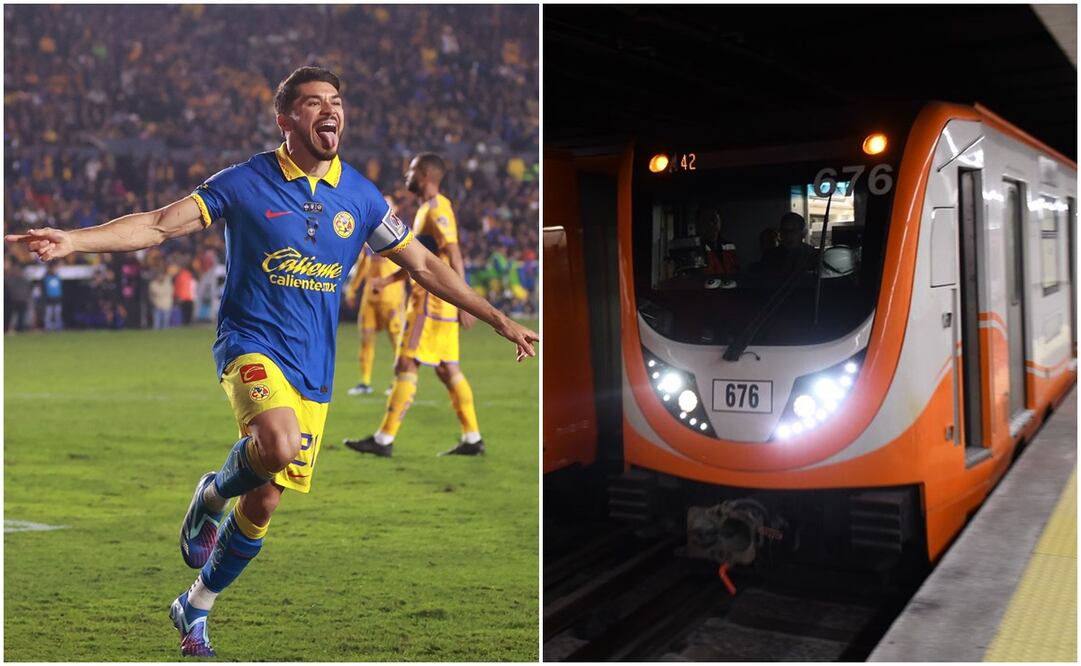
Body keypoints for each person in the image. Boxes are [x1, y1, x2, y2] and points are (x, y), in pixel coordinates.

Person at [6, 66, 537, 658]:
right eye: (313, 103)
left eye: (335, 101)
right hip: (249, 344)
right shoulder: (244, 182)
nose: (328, 111)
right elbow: (159, 225)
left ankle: (196, 604)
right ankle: (210, 495)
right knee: (278, 445)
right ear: (286, 119)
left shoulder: (361, 196)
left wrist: (496, 317)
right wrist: (75, 240)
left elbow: (425, 265)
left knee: (264, 501)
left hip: (315, 367)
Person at [344, 153, 488, 458]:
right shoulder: (427, 209)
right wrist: (392, 280)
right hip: (438, 302)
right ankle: (473, 438)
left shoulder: (437, 210)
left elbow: (454, 252)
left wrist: (466, 301)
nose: (406, 176)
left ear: (423, 174)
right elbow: (425, 260)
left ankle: (383, 440)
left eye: (411, 171)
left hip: (430, 305)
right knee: (449, 370)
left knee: (405, 364)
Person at [343, 197, 407, 396]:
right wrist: (352, 289)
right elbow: (363, 264)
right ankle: (365, 382)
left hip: (392, 297)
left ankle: (398, 381)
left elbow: (409, 265)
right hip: (370, 297)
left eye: (389, 204)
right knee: (366, 338)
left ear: (395, 208)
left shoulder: (400, 233)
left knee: (397, 341)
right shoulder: (369, 234)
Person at [756, 212, 816, 276]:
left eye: (793, 230)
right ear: (780, 233)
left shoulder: (812, 255)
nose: (788, 235)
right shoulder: (770, 256)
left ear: (804, 233)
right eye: (784, 230)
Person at [700, 208, 738, 275]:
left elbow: (736, 271)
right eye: (705, 220)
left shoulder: (729, 246)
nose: (711, 224)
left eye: (714, 219)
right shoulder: (697, 249)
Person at [42, 262, 64, 331]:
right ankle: (48, 327)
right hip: (49, 299)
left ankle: (58, 327)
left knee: (57, 314)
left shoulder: (57, 276)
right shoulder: (46, 277)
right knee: (49, 314)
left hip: (57, 298)